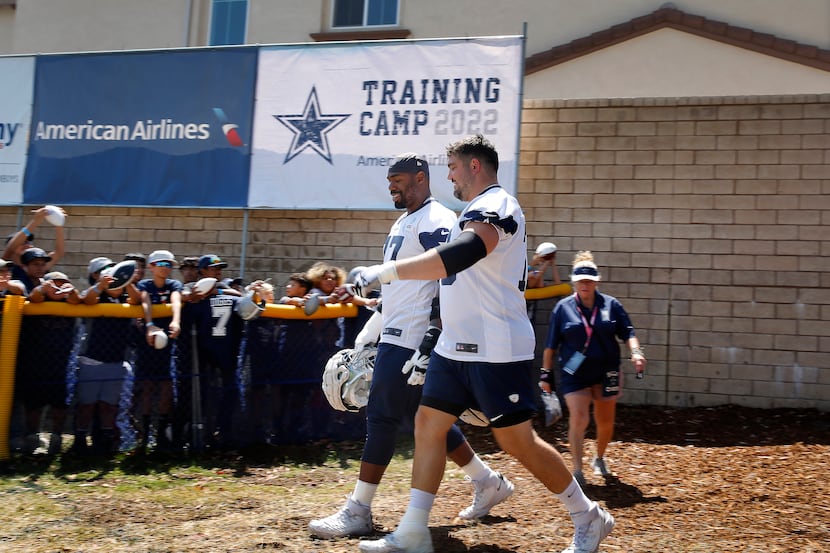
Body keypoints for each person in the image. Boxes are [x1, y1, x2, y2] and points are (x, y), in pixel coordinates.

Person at [354, 136, 614, 553]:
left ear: (475, 166)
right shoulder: (470, 211)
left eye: (453, 167)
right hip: (454, 346)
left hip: (495, 348)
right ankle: (415, 530)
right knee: (428, 425)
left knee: (517, 442)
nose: (450, 176)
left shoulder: (498, 205)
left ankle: (588, 516)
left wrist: (388, 272)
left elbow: (464, 253)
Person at [309, 153, 513, 541]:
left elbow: (447, 276)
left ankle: (359, 510)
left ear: (421, 178)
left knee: (382, 418)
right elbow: (402, 286)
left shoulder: (436, 219)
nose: (391, 186)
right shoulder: (404, 220)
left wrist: (431, 336)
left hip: (411, 337)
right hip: (396, 332)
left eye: (398, 179)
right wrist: (373, 314)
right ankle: (487, 482)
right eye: (389, 181)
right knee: (427, 419)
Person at [541, 251, 646, 486]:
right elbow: (550, 346)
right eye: (580, 280)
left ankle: (599, 458)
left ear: (597, 281)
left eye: (589, 280)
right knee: (579, 418)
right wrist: (545, 375)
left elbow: (628, 332)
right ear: (574, 281)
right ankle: (577, 471)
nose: (585, 284)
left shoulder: (611, 305)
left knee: (605, 422)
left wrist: (636, 352)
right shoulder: (563, 308)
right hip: (574, 374)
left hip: (606, 371)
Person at [72, 257, 142, 455]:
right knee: (87, 404)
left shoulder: (123, 298)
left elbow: (136, 300)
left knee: (109, 405)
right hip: (92, 359)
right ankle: (79, 440)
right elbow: (87, 299)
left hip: (116, 359)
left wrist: (127, 281)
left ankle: (105, 441)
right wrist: (101, 285)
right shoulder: (97, 295)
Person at [16, 265, 81, 455]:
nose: (58, 289)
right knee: (34, 405)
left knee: (60, 405)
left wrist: (71, 290)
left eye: (63, 285)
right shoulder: (37, 302)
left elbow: (78, 299)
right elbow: (33, 296)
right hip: (35, 365)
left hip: (61, 365)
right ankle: (33, 439)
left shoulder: (70, 304)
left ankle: (57, 438)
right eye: (55, 285)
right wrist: (44, 288)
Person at [134, 249, 182, 452]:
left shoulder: (174, 284)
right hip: (147, 342)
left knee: (166, 387)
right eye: (161, 264)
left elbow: (176, 300)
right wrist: (150, 324)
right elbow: (145, 300)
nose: (166, 268)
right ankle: (144, 434)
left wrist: (176, 321)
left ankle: (161, 432)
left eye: (169, 265)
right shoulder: (145, 285)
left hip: (168, 343)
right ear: (152, 267)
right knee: (147, 387)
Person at [3, 205, 66, 282]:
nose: (26, 245)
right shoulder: (6, 266)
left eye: (28, 242)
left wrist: (59, 224)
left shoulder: (39, 265)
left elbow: (58, 253)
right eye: (22, 242)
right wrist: (35, 221)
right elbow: (11, 247)